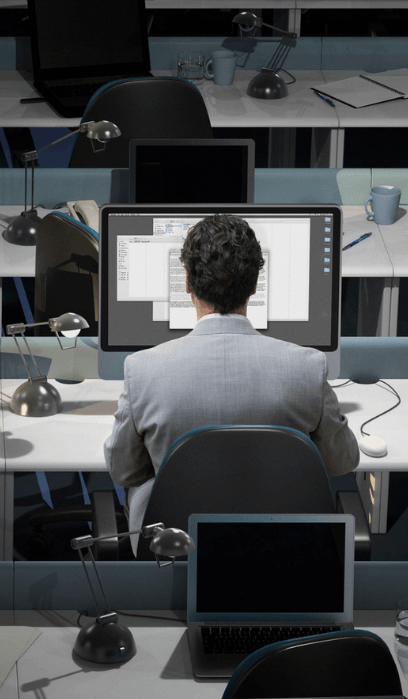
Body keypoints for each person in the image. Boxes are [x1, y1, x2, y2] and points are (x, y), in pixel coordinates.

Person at [104, 213, 359, 539]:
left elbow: (124, 471)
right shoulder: (308, 367)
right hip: (282, 547)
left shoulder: (142, 370)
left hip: (175, 548)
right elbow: (342, 462)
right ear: (255, 285)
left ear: (186, 283)